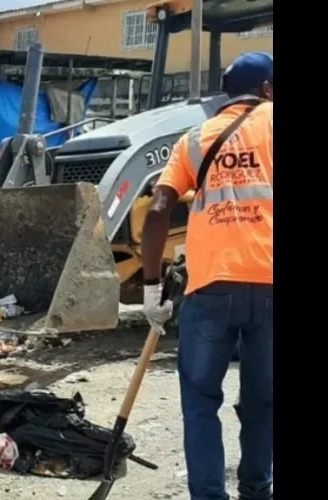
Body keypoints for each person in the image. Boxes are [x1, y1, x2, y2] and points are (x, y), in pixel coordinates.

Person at [140, 52, 273, 500]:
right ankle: (257, 490)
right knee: (264, 402)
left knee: (200, 404)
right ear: (269, 89)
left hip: (210, 288)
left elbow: (158, 211)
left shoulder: (194, 139)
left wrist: (153, 288)